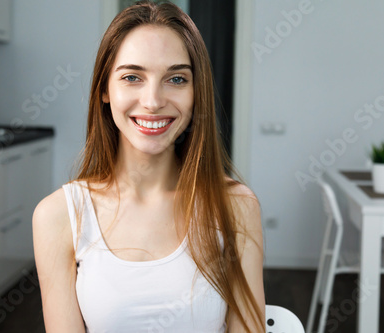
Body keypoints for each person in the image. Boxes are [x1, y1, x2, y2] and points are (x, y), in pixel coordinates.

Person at [32, 1, 265, 332]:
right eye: (132, 77)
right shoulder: (58, 216)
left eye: (176, 79)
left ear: (197, 92)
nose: (153, 101)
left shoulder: (237, 205)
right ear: (104, 90)